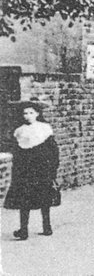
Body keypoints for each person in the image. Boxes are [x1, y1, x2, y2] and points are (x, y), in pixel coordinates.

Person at [5, 101, 60, 239]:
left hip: (42, 168)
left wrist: (52, 169)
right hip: (25, 170)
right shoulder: (19, 131)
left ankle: (47, 226)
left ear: (37, 114)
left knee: (44, 198)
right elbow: (17, 152)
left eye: (31, 113)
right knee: (24, 199)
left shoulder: (44, 129)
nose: (28, 116)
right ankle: (23, 230)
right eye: (25, 113)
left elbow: (53, 151)